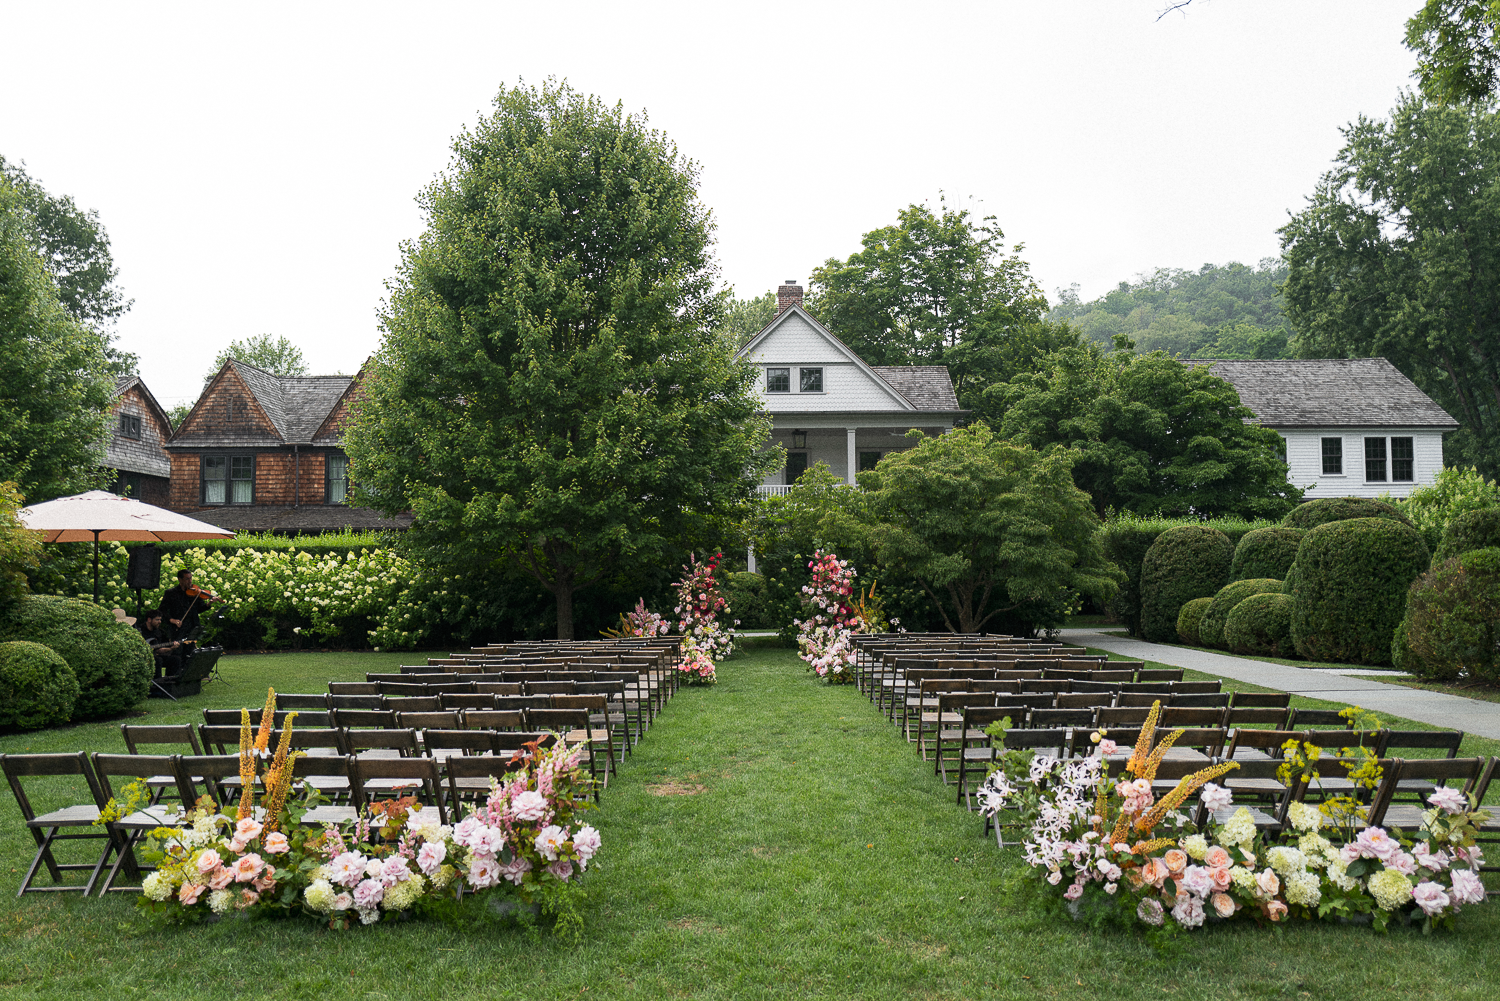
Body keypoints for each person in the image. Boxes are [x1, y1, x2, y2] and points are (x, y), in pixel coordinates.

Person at [160, 568, 223, 642]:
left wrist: (209, 603)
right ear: (180, 579)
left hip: (193, 626)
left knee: (191, 650)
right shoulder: (171, 593)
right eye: (187, 579)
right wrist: (172, 620)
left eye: (190, 578)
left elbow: (200, 609)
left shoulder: (195, 593)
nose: (190, 581)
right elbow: (161, 610)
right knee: (177, 651)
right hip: (178, 628)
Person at [137, 608, 188, 679]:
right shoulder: (139, 630)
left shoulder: (157, 632)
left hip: (155, 655)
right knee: (158, 660)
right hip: (143, 657)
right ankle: (157, 683)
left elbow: (158, 649)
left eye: (160, 619)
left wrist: (171, 648)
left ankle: (170, 681)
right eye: (157, 620)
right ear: (149, 620)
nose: (160, 622)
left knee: (176, 659)